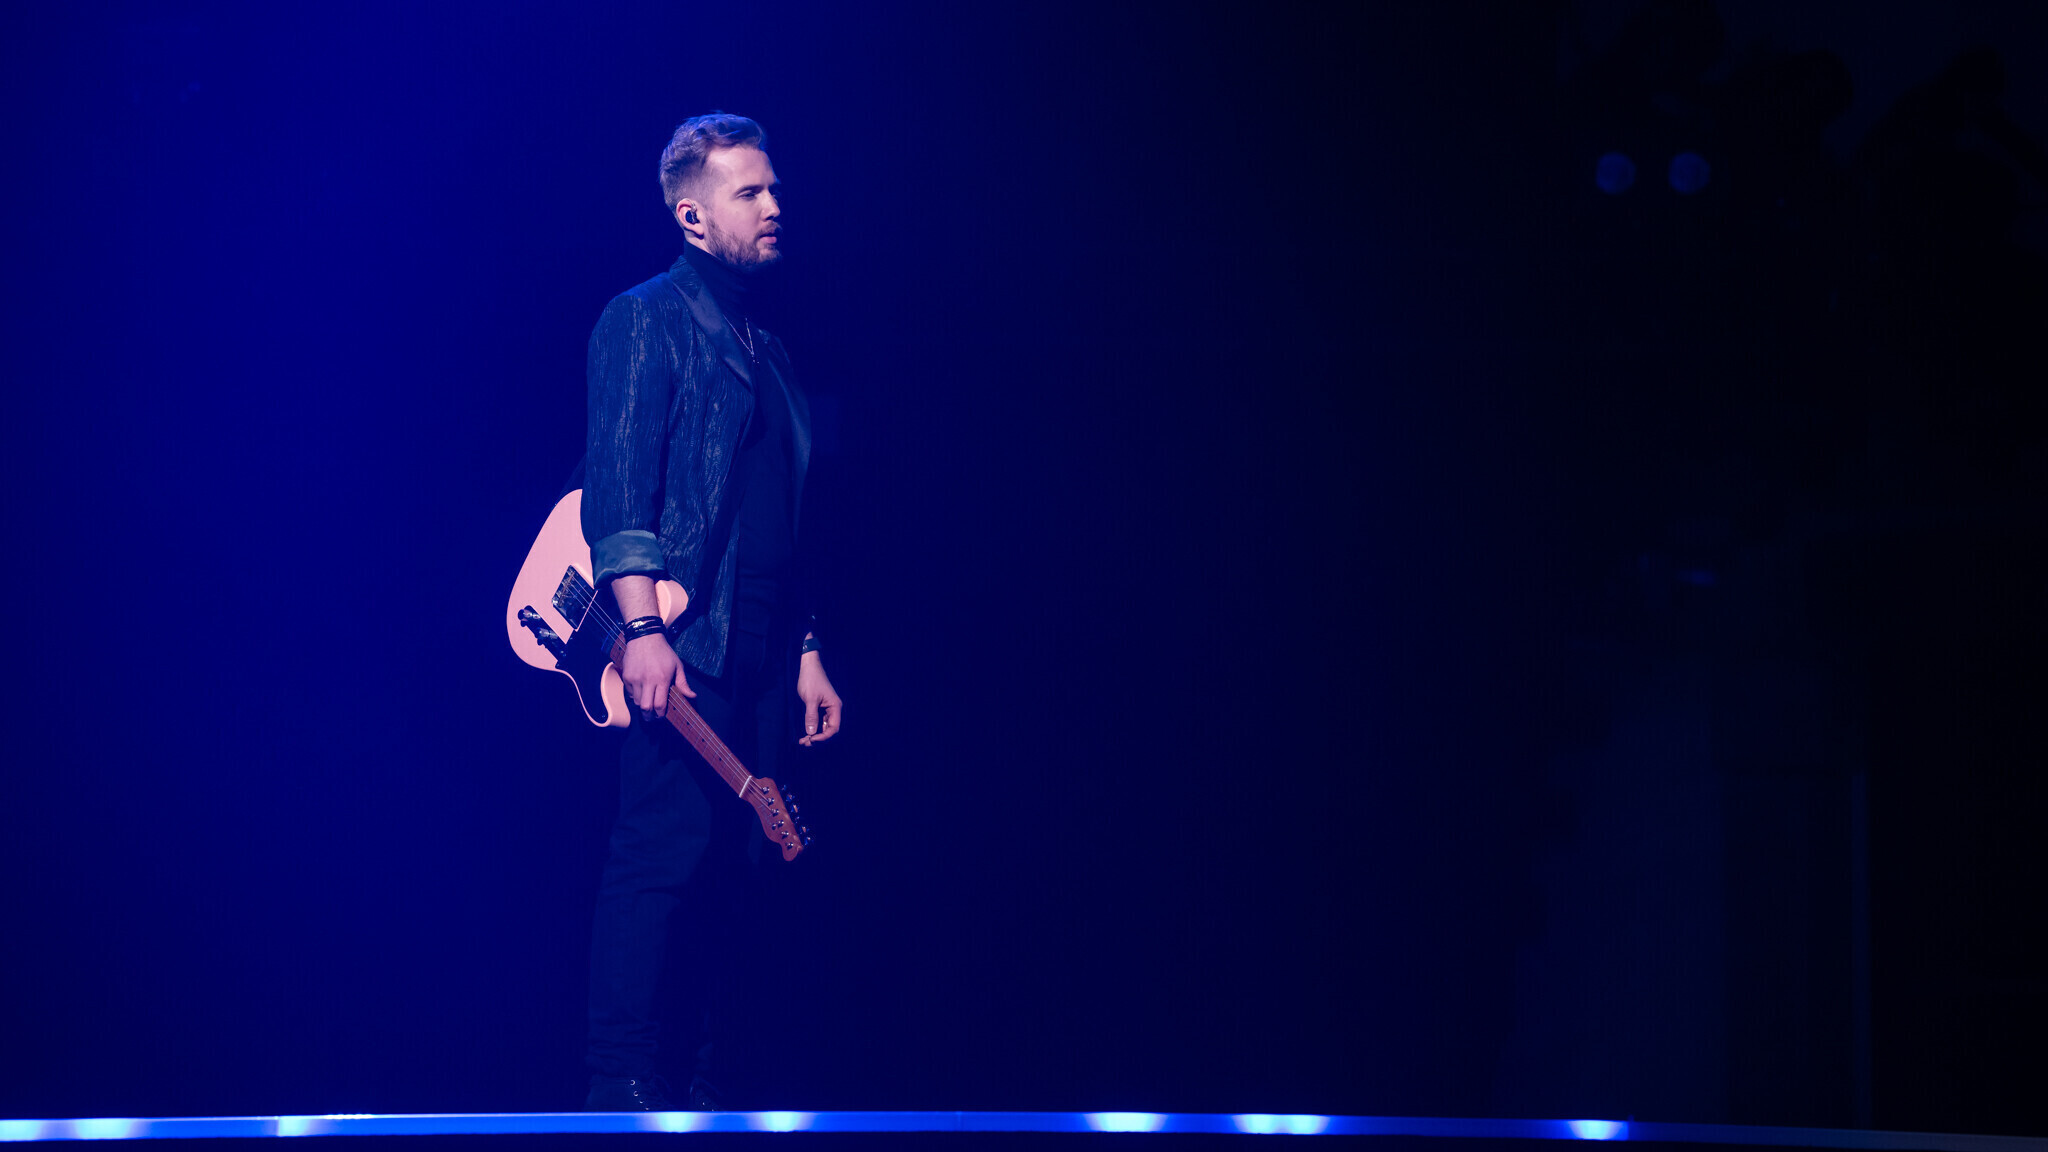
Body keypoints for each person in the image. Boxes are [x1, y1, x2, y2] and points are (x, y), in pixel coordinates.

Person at [579, 112, 841, 1112]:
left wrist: (806, 647)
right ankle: (618, 1088)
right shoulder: (644, 317)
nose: (775, 206)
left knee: (745, 866)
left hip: (768, 646)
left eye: (775, 188)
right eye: (749, 193)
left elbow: (786, 514)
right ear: (692, 217)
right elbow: (619, 486)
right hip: (688, 639)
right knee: (660, 858)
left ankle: (709, 1087)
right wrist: (641, 629)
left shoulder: (768, 349)